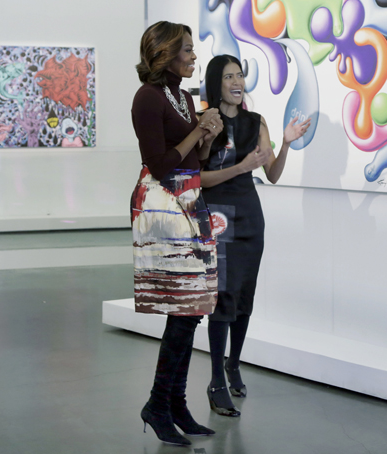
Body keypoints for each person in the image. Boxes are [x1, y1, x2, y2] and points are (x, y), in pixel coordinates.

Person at [200, 54, 311, 416]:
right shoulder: (206, 121)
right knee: (222, 297)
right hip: (218, 215)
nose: (237, 82)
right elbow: (198, 176)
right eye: (229, 76)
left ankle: (234, 364)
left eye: (240, 76)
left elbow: (273, 174)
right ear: (216, 82)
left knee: (245, 296)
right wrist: (234, 161)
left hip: (250, 215)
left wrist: (287, 142)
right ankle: (216, 379)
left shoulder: (255, 122)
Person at [131, 21, 224, 446]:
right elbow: (162, 163)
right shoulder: (147, 98)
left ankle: (174, 404)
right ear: (165, 53)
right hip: (163, 205)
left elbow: (195, 160)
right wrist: (198, 130)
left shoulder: (183, 97)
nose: (193, 56)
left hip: (189, 199)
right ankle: (159, 403)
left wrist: (207, 136)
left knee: (193, 308)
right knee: (182, 309)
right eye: (187, 49)